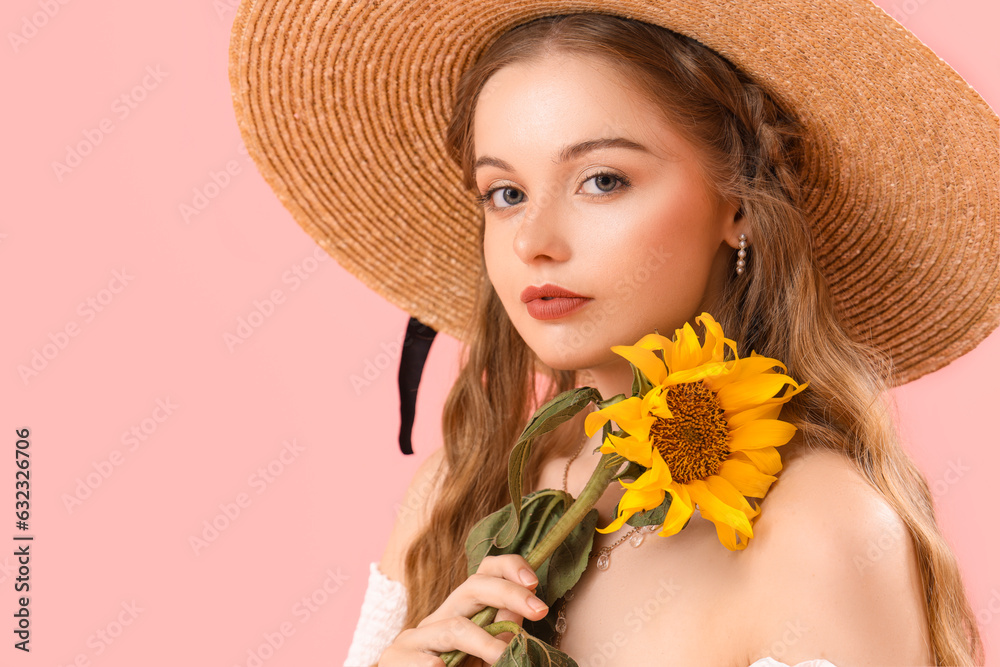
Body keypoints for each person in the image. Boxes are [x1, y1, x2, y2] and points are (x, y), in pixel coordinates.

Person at [227, 2, 998, 666]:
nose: (535, 239)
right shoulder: (454, 494)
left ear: (739, 200)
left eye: (602, 180)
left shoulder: (819, 524)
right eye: (505, 192)